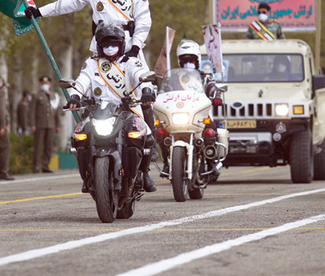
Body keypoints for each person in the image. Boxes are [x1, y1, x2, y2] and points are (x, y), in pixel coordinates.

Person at [67, 22, 158, 193]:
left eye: (114, 44)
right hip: (97, 112)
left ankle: (143, 174)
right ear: (99, 46)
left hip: (127, 110)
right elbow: (81, 81)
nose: (110, 48)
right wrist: (74, 96)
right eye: (106, 44)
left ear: (122, 44)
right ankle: (87, 175)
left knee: (145, 134)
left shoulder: (131, 62)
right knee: (79, 136)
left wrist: (146, 91)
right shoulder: (92, 64)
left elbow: (141, 76)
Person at [158, 40, 223, 177]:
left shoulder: (204, 78)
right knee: (161, 131)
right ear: (179, 61)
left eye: (192, 60)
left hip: (199, 115)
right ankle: (166, 161)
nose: (189, 63)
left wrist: (216, 95)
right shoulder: (172, 78)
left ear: (197, 60)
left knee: (211, 129)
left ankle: (210, 162)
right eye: (185, 60)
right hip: (177, 114)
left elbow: (212, 88)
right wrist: (156, 96)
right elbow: (162, 92)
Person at [30, 76, 59, 173]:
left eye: (46, 84)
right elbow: (32, 111)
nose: (45, 85)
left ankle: (45, 165)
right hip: (40, 124)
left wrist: (57, 125)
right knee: (38, 146)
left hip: (51, 124)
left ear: (50, 85)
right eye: (43, 84)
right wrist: (32, 124)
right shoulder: (36, 96)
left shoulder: (53, 96)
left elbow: (56, 112)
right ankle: (36, 167)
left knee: (49, 146)